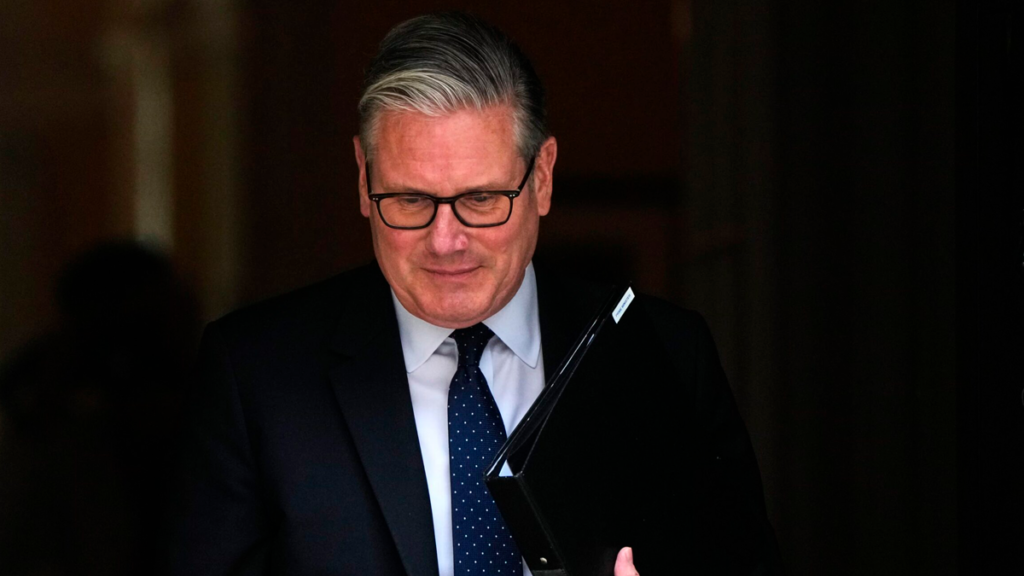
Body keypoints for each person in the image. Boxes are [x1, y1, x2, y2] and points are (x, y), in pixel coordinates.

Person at [164, 12, 781, 576]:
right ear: (362, 179)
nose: (446, 241)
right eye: (410, 200)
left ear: (542, 178)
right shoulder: (258, 378)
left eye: (482, 199)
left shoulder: (665, 354)